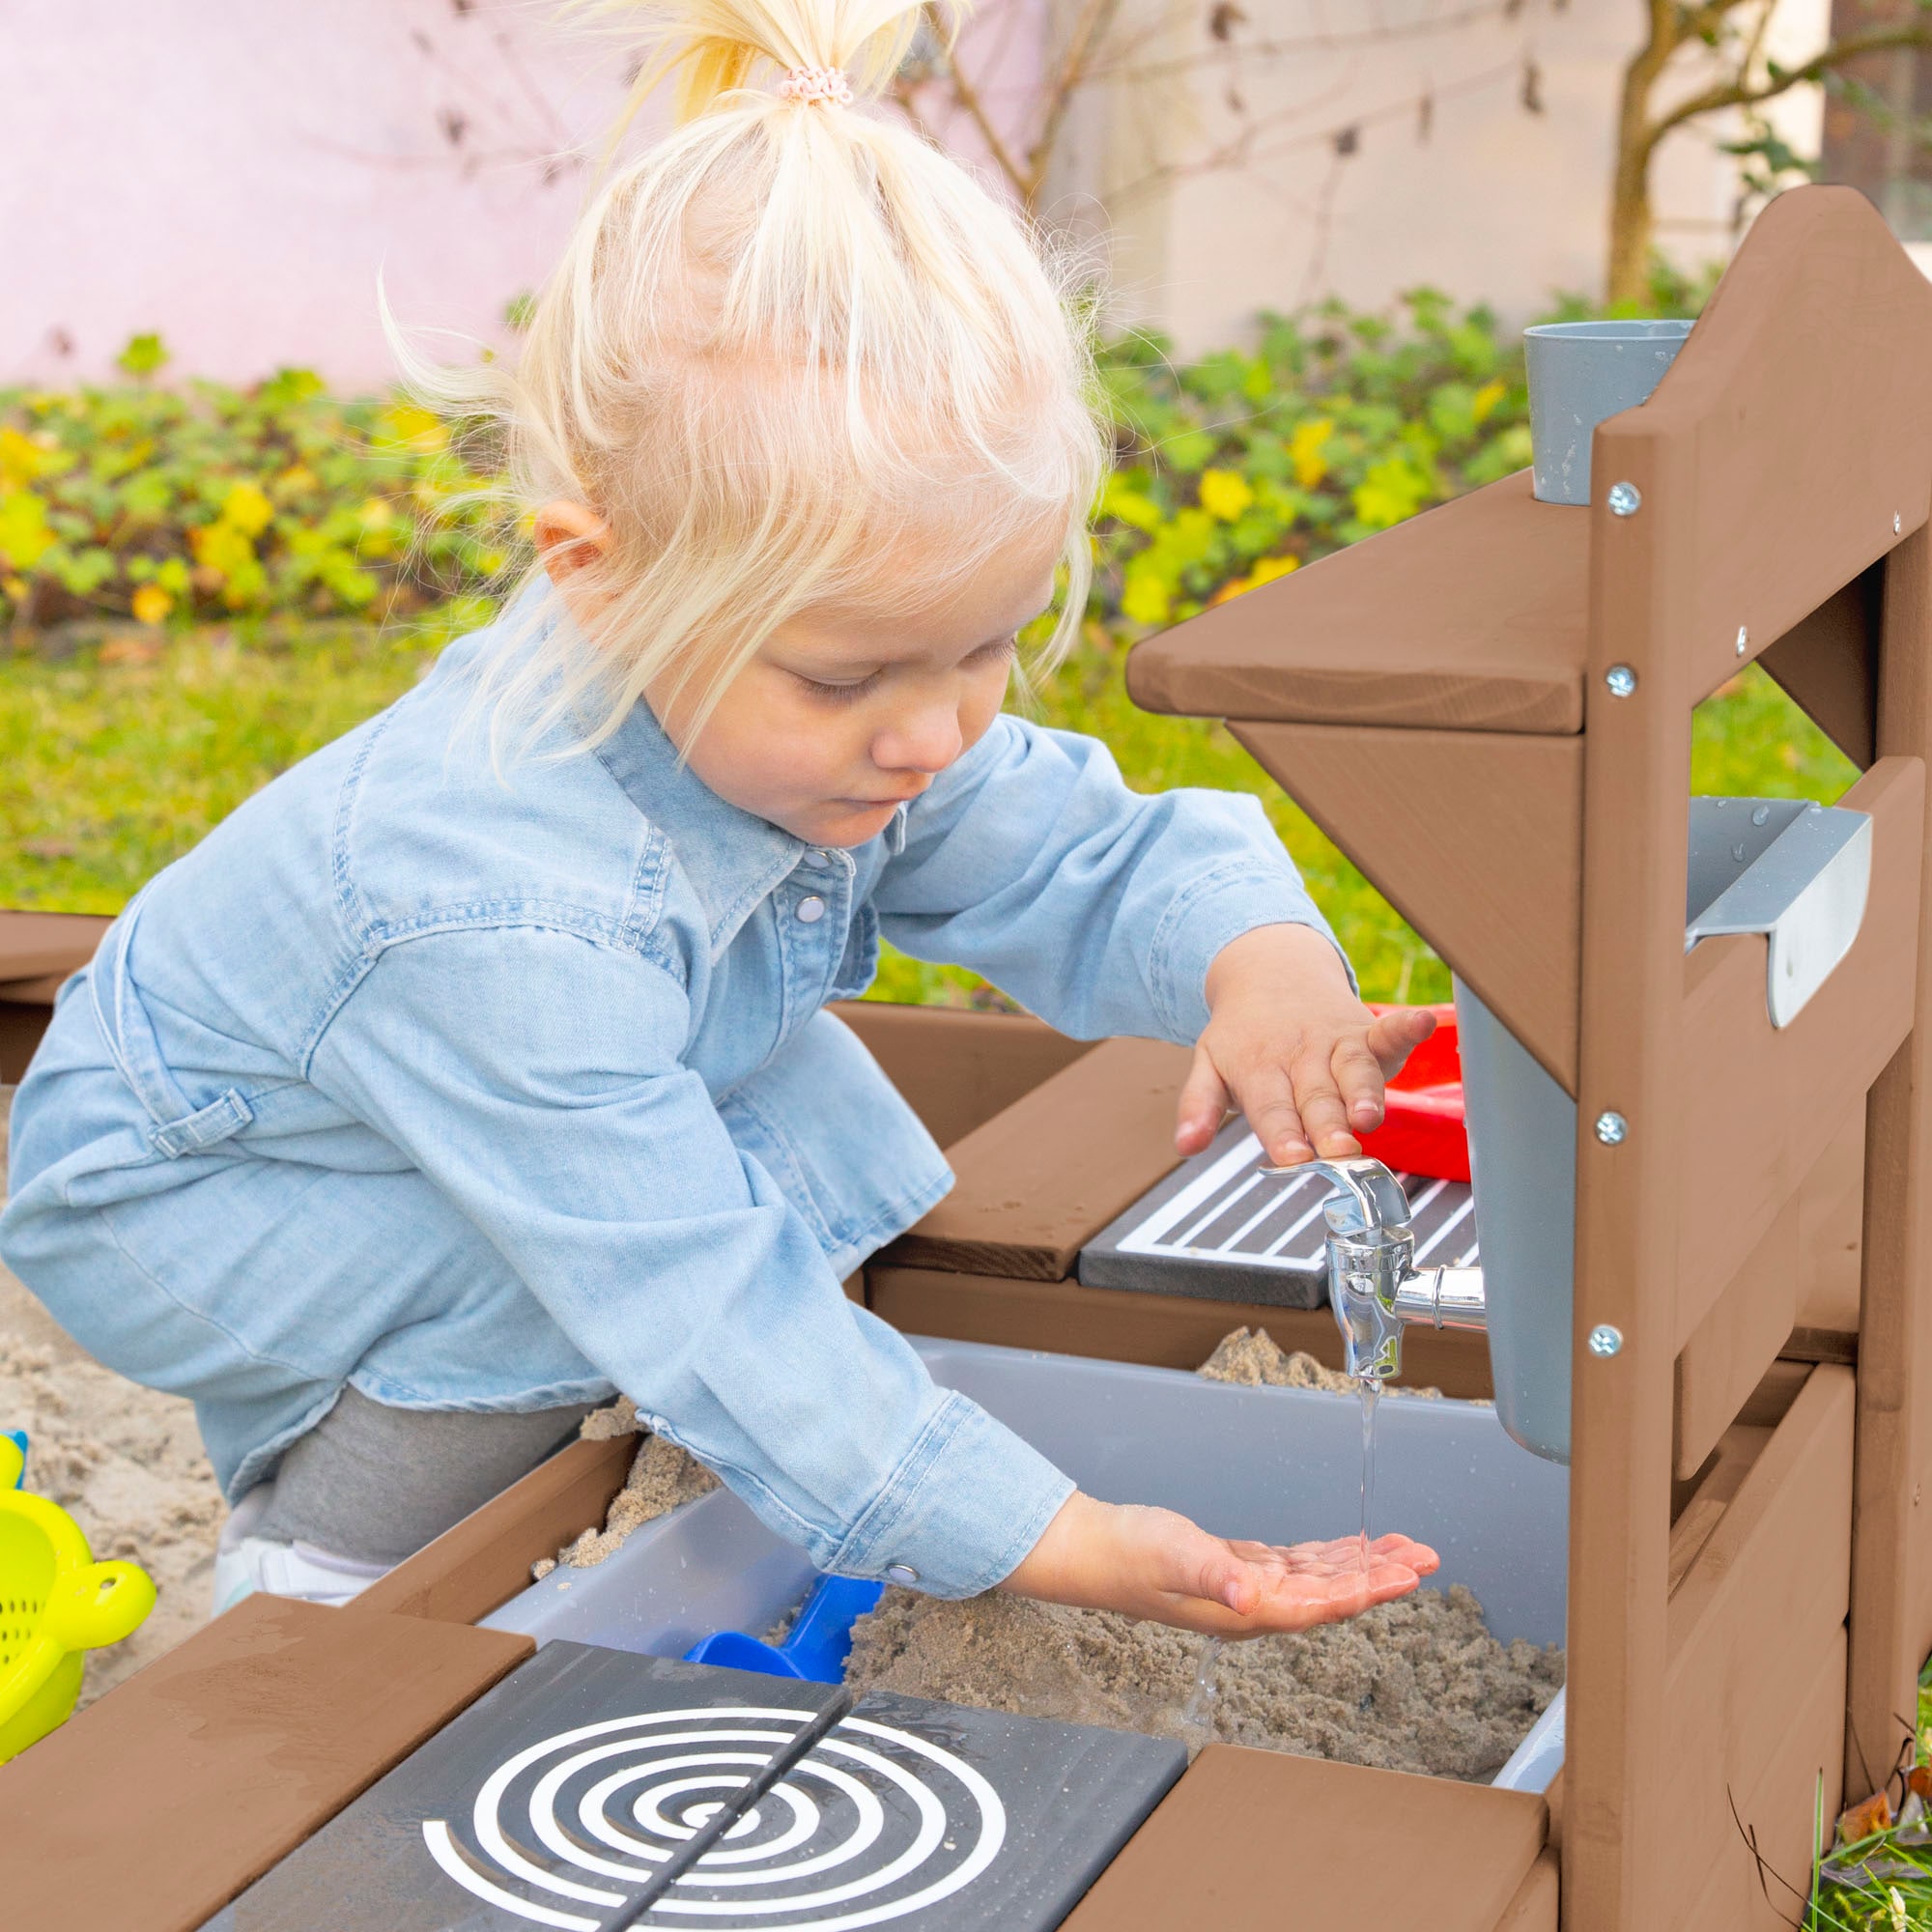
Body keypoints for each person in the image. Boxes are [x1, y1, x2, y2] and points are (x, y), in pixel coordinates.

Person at [0, 0, 1439, 1631]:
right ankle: (322, 1573)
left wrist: (1259, 961)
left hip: (422, 1088)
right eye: (848, 678)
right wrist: (1050, 1535)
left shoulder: (821, 703)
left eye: (984, 646)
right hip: (197, 1191)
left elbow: (1082, 850)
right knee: (553, 1279)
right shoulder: (495, 905)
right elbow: (694, 1295)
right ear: (596, 582)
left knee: (777, 1135)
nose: (932, 731)